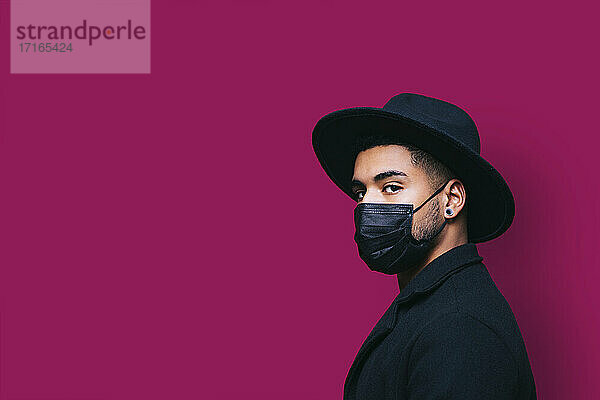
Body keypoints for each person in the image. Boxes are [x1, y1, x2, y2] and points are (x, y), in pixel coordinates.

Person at [311, 93, 537, 399]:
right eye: (361, 192)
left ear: (451, 201)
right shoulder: (428, 307)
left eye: (391, 187)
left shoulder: (461, 328)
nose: (368, 206)